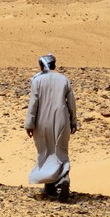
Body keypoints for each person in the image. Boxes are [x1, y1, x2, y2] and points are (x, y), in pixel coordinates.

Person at [25, 53, 77, 202]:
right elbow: (71, 103)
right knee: (60, 150)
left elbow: (33, 104)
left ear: (41, 66)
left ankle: (50, 186)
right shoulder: (64, 79)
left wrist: (29, 124)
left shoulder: (37, 80)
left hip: (42, 122)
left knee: (46, 151)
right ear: (54, 65)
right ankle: (63, 178)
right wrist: (73, 121)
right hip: (62, 120)